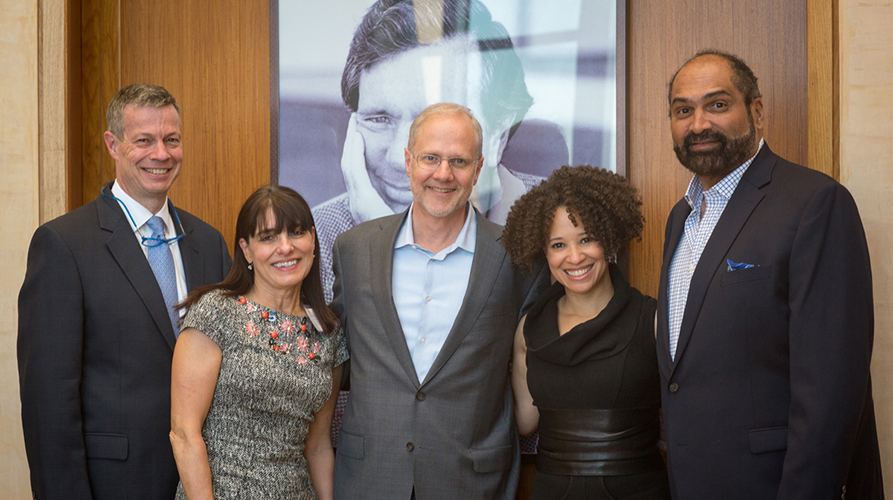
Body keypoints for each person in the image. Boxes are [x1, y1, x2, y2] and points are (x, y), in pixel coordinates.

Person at [657, 50, 883, 499]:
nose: (698, 123)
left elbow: (831, 393)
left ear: (756, 111)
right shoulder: (680, 219)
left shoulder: (815, 203)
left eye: (717, 105)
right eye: (684, 110)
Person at [17, 83, 232, 500]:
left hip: (205, 482)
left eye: (172, 140)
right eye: (144, 141)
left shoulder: (209, 242)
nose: (161, 154)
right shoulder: (64, 245)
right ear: (113, 145)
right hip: (113, 484)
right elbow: (49, 405)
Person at [330, 102, 546, 499]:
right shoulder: (353, 250)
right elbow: (335, 359)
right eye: (430, 158)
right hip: (370, 478)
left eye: (458, 161)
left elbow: (529, 366)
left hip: (473, 481)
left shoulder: (517, 257)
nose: (443, 174)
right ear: (409, 161)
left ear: (478, 169)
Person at [313, 0, 557, 302]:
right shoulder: (311, 243)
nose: (399, 159)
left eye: (434, 121)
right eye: (379, 119)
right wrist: (377, 239)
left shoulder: (565, 227)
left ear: (498, 135)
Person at [502, 165, 670, 500]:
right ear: (543, 251)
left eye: (587, 239)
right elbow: (524, 422)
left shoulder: (653, 320)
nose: (575, 257)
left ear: (608, 238)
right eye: (558, 245)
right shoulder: (528, 331)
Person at [169, 185, 348, 500]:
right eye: (268, 237)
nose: (285, 247)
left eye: (296, 233)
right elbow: (184, 434)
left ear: (313, 240)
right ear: (247, 249)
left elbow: (318, 447)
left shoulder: (328, 334)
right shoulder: (216, 312)